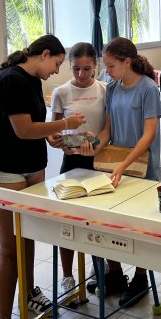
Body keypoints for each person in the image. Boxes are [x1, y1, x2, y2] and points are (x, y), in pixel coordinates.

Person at [0, 35, 86, 319]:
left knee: (27, 236)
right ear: (44, 54)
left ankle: (28, 293)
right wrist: (65, 123)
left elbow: (35, 125)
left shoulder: (33, 80)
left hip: (31, 164)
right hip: (4, 167)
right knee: (10, 246)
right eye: (57, 63)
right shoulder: (10, 80)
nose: (57, 70)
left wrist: (50, 134)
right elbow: (23, 130)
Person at [90, 37, 161, 308]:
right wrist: (93, 146)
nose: (107, 71)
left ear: (127, 62)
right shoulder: (112, 88)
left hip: (142, 169)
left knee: (140, 227)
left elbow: (148, 135)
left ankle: (141, 278)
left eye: (111, 66)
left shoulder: (148, 89)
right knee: (111, 223)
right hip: (117, 170)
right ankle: (115, 273)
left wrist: (124, 164)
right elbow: (107, 130)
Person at [50, 42, 106, 299]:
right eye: (76, 69)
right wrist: (57, 141)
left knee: (98, 220)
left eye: (87, 69)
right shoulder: (61, 92)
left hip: (99, 161)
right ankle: (67, 275)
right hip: (72, 163)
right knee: (67, 221)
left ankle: (99, 268)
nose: (81, 74)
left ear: (95, 66)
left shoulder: (104, 90)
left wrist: (98, 144)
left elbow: (109, 127)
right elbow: (53, 130)